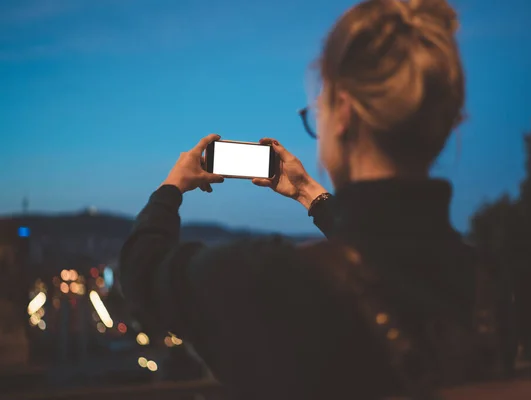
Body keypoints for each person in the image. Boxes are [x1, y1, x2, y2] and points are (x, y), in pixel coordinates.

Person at [119, 0, 505, 398]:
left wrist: (171, 189)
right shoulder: (486, 281)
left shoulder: (267, 282)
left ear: (343, 112)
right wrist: (308, 192)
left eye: (316, 112)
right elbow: (381, 250)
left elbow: (141, 271)